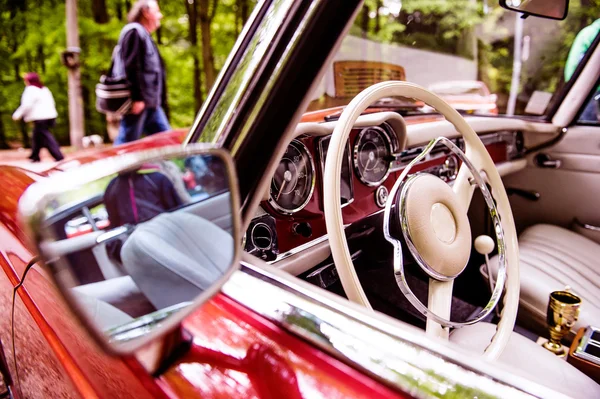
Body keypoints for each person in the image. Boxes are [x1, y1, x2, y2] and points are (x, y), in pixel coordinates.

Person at [112, 0, 170, 145]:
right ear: (145, 12)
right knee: (126, 145)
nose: (160, 15)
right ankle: (115, 168)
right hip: (140, 103)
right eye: (157, 11)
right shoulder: (134, 32)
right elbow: (131, 66)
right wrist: (137, 98)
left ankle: (179, 168)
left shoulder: (144, 35)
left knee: (168, 144)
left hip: (151, 104)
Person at [103, 163, 183, 262]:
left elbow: (176, 211)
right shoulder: (112, 187)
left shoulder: (157, 179)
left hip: (162, 235)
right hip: (135, 243)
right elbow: (114, 222)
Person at [12, 72, 64, 162]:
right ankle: (35, 156)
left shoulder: (31, 90)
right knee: (37, 135)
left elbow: (27, 104)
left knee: (44, 135)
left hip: (40, 117)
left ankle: (58, 155)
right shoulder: (44, 89)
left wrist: (17, 114)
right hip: (50, 116)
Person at [565, 19, 600, 122]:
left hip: (581, 91)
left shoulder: (587, 32)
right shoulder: (593, 34)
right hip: (591, 92)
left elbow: (574, 65)